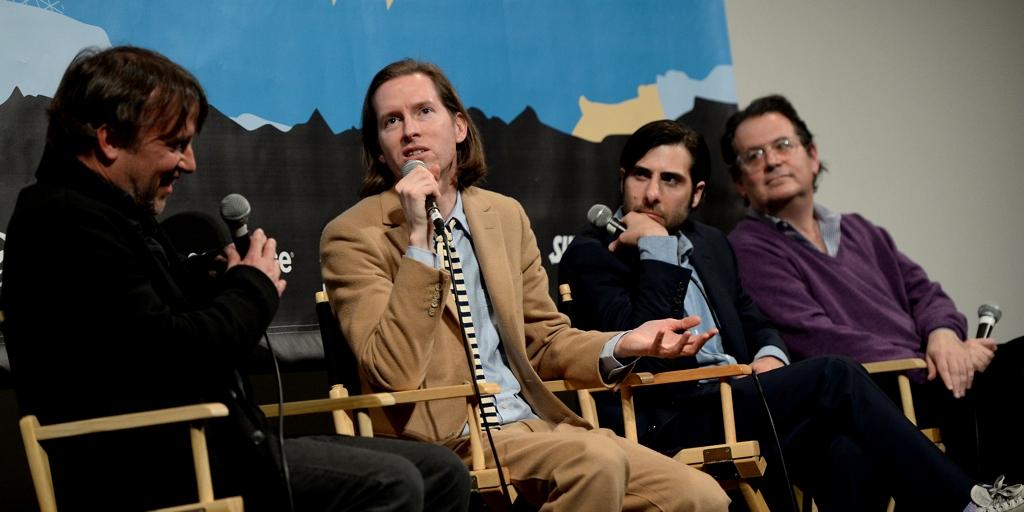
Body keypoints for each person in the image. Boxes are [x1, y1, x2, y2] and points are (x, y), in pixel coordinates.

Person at [0, 46, 470, 512]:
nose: (189, 163)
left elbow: (145, 323)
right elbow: (170, 354)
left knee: (443, 472)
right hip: (152, 471)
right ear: (109, 140)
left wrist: (212, 281)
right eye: (175, 145)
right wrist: (251, 286)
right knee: (392, 484)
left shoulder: (115, 217)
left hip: (217, 449)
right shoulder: (63, 221)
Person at [319, 59, 731, 511]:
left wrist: (624, 343)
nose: (410, 130)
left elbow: (544, 340)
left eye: (424, 111)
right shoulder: (353, 235)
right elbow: (393, 372)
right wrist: (419, 241)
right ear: (380, 150)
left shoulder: (504, 215)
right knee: (595, 464)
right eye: (391, 121)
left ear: (459, 127)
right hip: (449, 442)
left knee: (702, 498)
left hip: (536, 424)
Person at [558, 119, 1024, 512]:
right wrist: (656, 250)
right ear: (622, 178)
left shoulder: (710, 244)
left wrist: (771, 357)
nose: (652, 194)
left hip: (737, 397)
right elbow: (647, 350)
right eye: (641, 176)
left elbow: (757, 322)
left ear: (696, 194)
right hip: (672, 412)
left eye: (671, 180)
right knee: (835, 373)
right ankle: (968, 503)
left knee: (846, 451)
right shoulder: (592, 254)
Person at [723, 94, 1024, 483]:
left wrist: (944, 337)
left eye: (782, 145)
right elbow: (815, 339)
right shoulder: (748, 248)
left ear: (812, 155)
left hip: (928, 377)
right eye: (754, 155)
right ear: (740, 183)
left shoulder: (861, 229)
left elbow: (925, 293)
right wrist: (932, 363)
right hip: (880, 397)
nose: (772, 161)